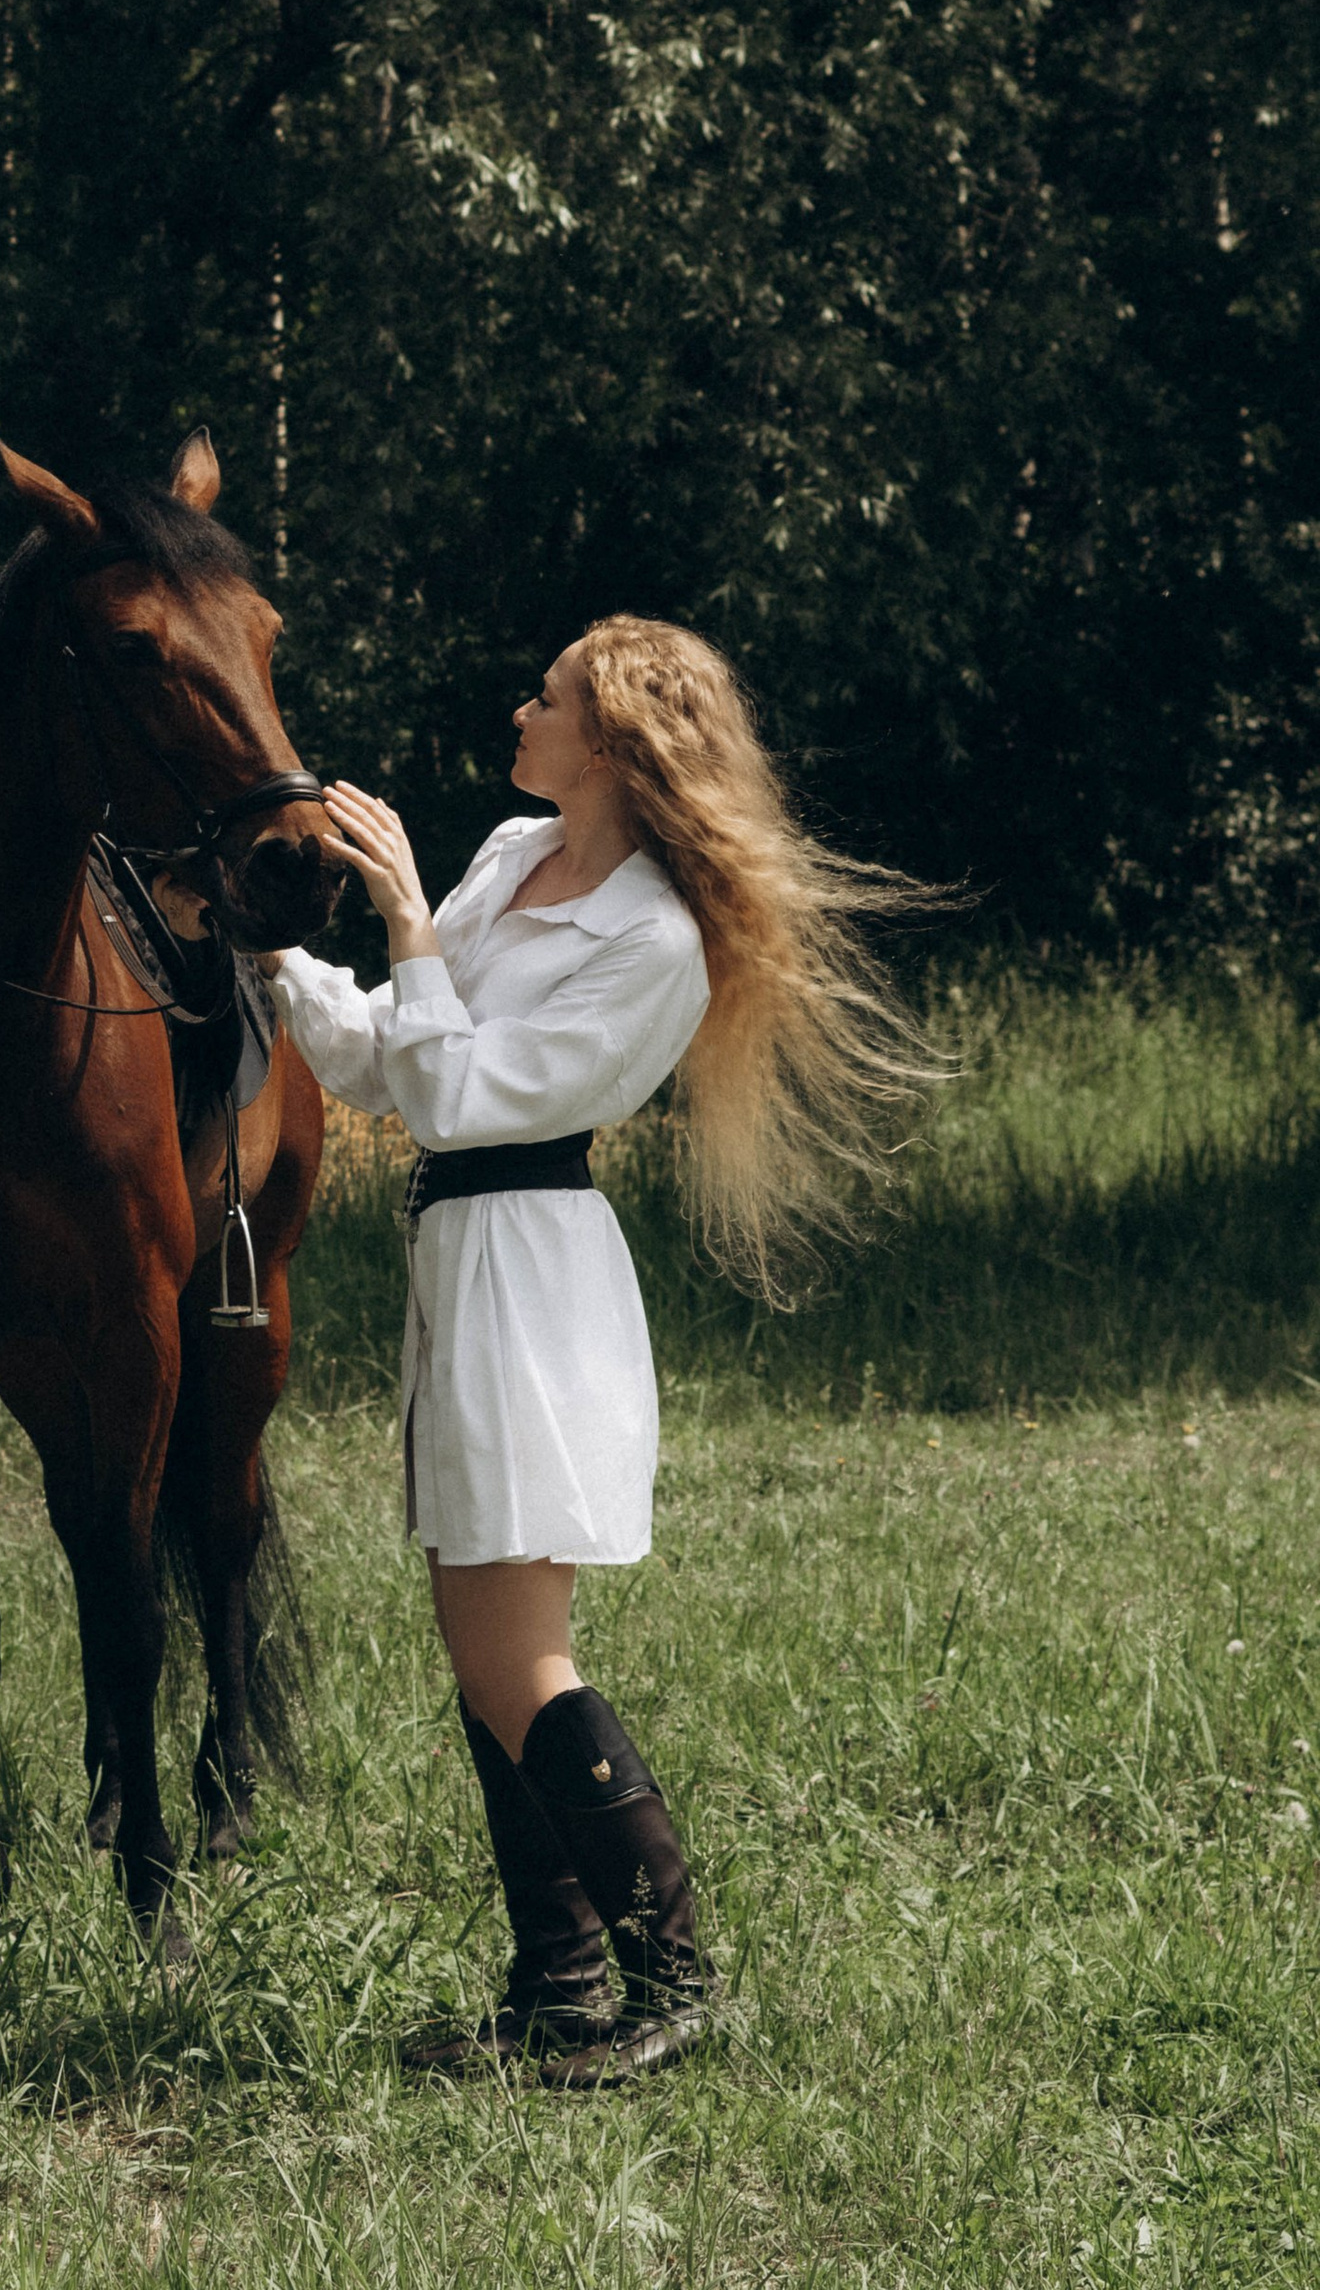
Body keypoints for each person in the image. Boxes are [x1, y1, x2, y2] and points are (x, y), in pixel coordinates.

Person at [267, 614, 936, 2089]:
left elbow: (462, 1098)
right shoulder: (511, 858)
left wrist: (412, 934)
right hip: (462, 1263)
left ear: (618, 741)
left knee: (519, 1658)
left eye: (550, 694)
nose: (524, 704)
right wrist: (274, 956)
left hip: (531, 1275)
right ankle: (563, 1984)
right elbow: (392, 1054)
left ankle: (674, 1981)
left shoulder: (657, 944)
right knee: (482, 1661)